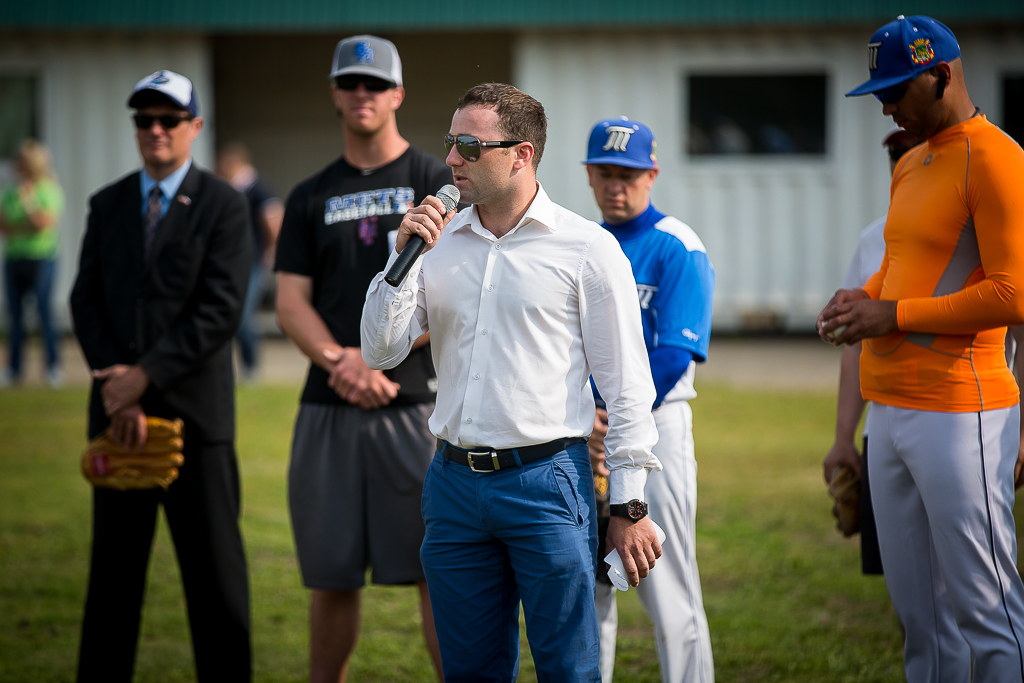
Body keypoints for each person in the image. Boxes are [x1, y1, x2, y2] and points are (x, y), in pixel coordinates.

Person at [361, 82, 664, 682]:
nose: (451, 159)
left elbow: (627, 387)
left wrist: (629, 504)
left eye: (470, 146)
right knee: (470, 671)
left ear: (521, 155)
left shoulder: (588, 248)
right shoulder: (437, 243)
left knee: (567, 669)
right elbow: (381, 350)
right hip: (451, 485)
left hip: (547, 483)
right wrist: (400, 258)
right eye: (451, 142)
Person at [820, 15, 1024, 681]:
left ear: (942, 75)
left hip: (960, 412)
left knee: (985, 609)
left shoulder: (996, 157)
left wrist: (892, 312)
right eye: (878, 91)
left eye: (897, 88)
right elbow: (898, 267)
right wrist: (859, 301)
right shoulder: (911, 160)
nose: (885, 103)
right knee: (919, 620)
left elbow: (1012, 293)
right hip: (890, 412)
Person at [273, 35, 447, 683]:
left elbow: (451, 293)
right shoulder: (309, 194)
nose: (362, 95)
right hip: (330, 403)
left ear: (398, 94)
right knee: (331, 574)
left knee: (438, 568)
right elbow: (291, 300)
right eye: (350, 83)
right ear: (335, 94)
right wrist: (340, 360)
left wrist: (383, 357)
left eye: (375, 85)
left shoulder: (435, 182)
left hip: (417, 404)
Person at [70, 70, 253, 682]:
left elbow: (220, 310)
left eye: (168, 120)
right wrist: (114, 387)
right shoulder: (107, 203)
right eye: (144, 120)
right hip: (119, 424)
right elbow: (85, 302)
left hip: (196, 427)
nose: (154, 130)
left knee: (216, 587)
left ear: (193, 127)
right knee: (112, 586)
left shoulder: (225, 205)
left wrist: (141, 378)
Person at [584, 117, 716, 683]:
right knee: (590, 589)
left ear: (652, 174)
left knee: (667, 587)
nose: (618, 185)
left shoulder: (678, 246)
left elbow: (672, 355)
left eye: (629, 174)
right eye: (607, 173)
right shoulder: (583, 243)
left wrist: (606, 421)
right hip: (582, 438)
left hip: (655, 428)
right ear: (589, 175)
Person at [823, 124, 922, 577]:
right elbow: (854, 347)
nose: (901, 164)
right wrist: (845, 438)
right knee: (903, 585)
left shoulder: (977, 223)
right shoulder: (873, 238)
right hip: (883, 422)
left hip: (963, 413)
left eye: (913, 151)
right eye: (894, 155)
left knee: (969, 591)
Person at [216, 142, 283, 382]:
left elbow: (273, 219)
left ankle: (251, 369)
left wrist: (271, 253)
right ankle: (243, 369)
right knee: (234, 315)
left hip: (254, 264)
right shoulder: (234, 189)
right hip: (234, 264)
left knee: (243, 315)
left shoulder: (257, 188)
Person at [0, 138, 65, 387]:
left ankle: (52, 367)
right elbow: (4, 225)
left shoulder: (48, 189)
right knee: (15, 317)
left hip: (42, 258)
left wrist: (28, 203)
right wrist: (25, 225)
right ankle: (14, 370)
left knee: (44, 313)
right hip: (14, 258)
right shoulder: (10, 190)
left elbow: (43, 223)